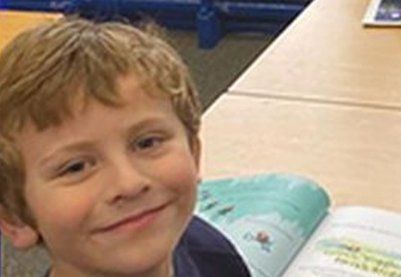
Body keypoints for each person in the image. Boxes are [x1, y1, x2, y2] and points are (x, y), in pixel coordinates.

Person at [0, 19, 250, 277]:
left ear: (193, 152)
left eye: (147, 143)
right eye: (76, 167)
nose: (129, 184)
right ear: (14, 218)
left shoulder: (211, 255)